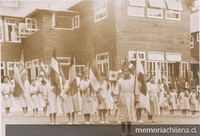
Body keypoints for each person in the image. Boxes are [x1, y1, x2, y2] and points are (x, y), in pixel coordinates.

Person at [114, 66, 136, 136]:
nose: (126, 73)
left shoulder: (133, 80)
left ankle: (129, 132)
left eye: (127, 72)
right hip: (123, 97)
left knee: (129, 114)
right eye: (124, 72)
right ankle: (123, 131)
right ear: (122, 72)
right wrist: (116, 101)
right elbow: (116, 91)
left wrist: (136, 100)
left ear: (130, 72)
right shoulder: (120, 81)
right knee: (123, 115)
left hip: (131, 97)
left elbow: (136, 90)